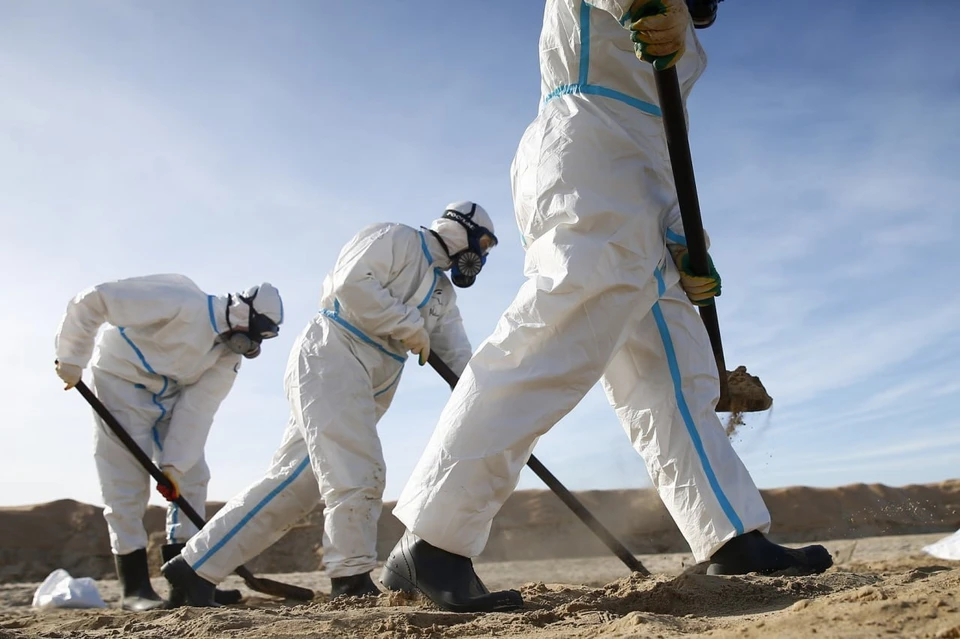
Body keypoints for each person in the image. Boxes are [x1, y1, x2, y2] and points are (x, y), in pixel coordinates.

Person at [378, 0, 833, 613]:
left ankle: (729, 535)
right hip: (587, 150)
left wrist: (688, 242)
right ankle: (430, 542)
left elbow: (666, 137)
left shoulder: (687, 39)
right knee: (551, 342)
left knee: (674, 375)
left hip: (646, 176)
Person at [160, 202, 498, 606]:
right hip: (332, 355)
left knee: (294, 483)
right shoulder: (396, 238)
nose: (482, 254)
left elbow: (456, 353)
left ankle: (194, 567)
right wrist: (408, 325)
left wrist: (483, 396)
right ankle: (350, 578)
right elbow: (351, 284)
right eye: (482, 242)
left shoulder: (441, 292)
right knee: (359, 470)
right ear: (459, 228)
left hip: (369, 383)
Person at [54, 275, 284, 611]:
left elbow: (199, 410)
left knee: (193, 475)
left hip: (171, 396)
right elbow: (94, 301)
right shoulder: (180, 299)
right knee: (126, 482)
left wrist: (174, 467)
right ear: (241, 309)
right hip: (122, 382)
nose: (249, 344)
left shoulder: (226, 357)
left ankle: (186, 577)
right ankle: (135, 588)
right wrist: (72, 358)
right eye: (254, 332)